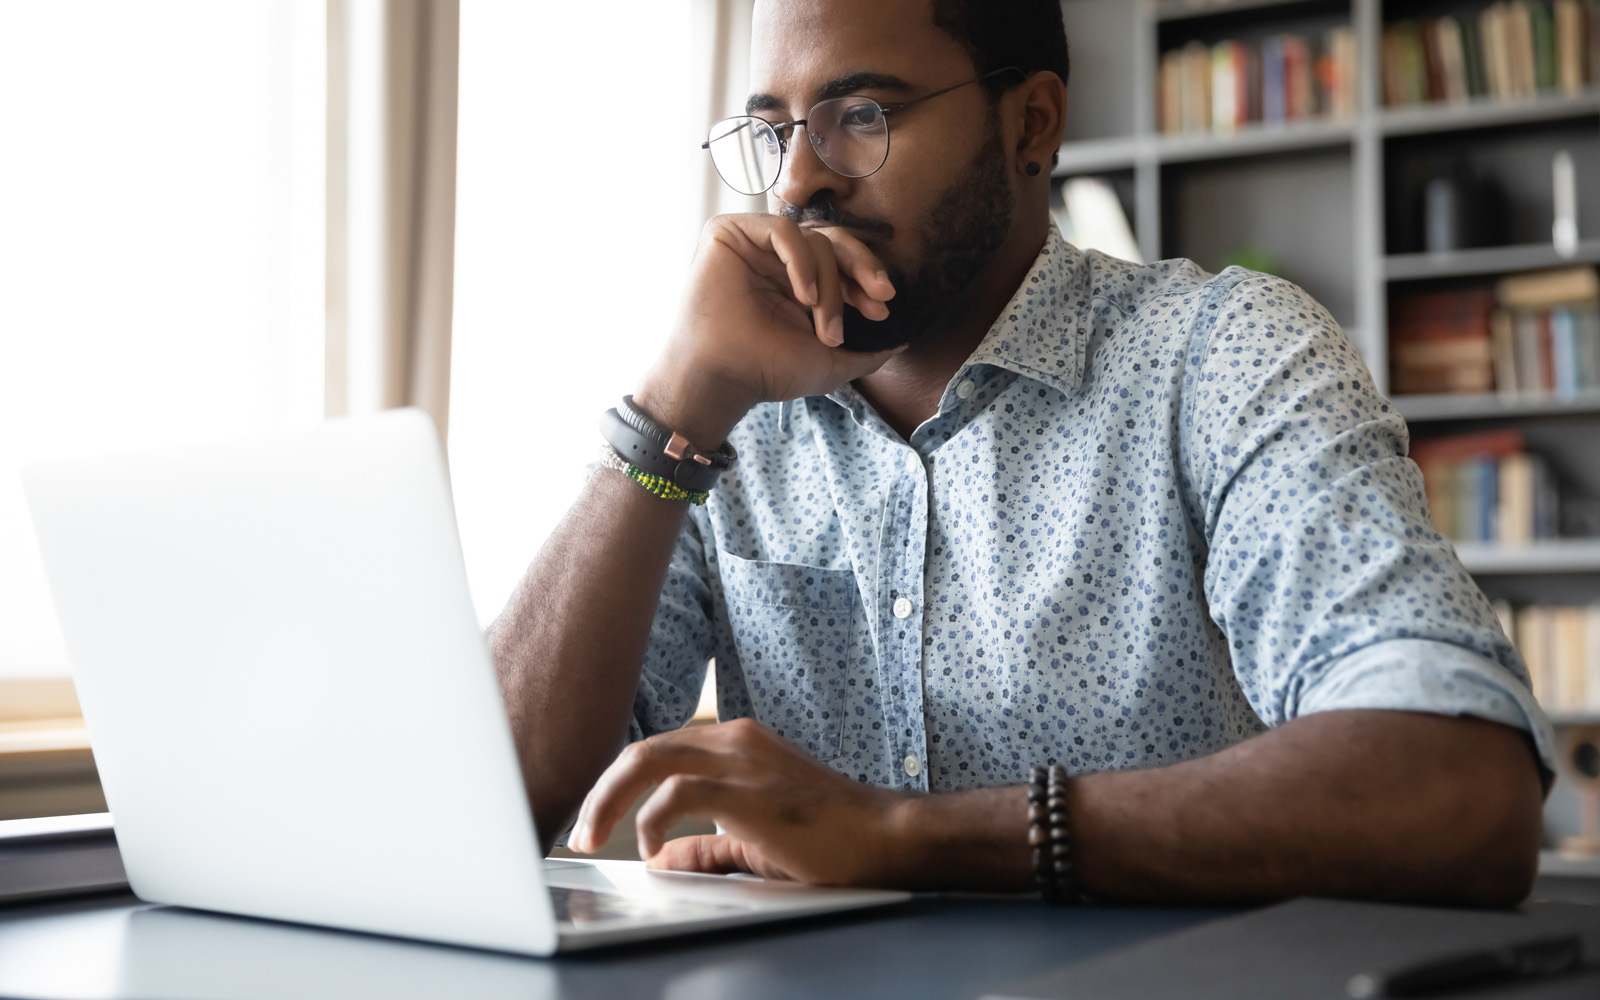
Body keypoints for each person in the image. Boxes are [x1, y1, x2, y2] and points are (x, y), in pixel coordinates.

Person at [489, 0, 1553, 905]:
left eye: (860, 115)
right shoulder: (727, 414)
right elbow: (487, 798)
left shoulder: (1218, 357)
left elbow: (1457, 782)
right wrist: (669, 405)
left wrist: (909, 836)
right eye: (773, 131)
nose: (798, 181)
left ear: (1031, 123)